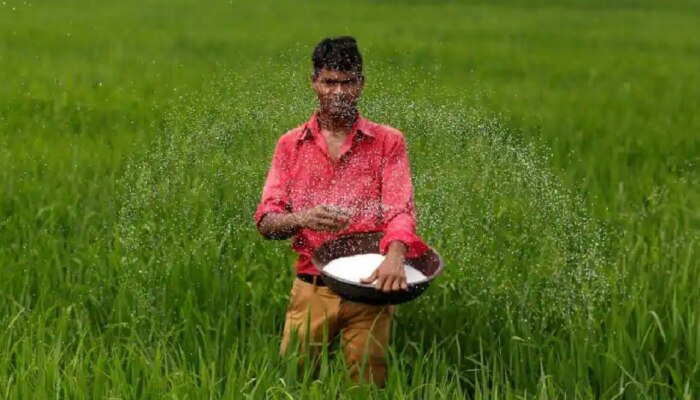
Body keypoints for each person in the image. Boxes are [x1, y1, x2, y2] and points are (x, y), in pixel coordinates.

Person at [254, 36, 429, 387]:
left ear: (361, 83)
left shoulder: (387, 141)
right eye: (329, 81)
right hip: (312, 286)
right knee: (294, 383)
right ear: (314, 83)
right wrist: (302, 218)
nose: (338, 91)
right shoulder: (290, 145)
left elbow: (400, 209)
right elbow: (267, 220)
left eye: (347, 82)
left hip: (370, 289)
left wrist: (396, 255)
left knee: (368, 384)